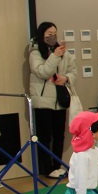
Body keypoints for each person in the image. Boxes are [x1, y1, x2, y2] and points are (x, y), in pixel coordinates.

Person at [28, 22, 77, 178]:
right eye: (49, 34)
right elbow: (43, 72)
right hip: (43, 100)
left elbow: (73, 71)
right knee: (44, 136)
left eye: (55, 33)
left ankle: (57, 165)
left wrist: (66, 78)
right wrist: (55, 56)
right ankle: (47, 168)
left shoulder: (63, 52)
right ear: (41, 34)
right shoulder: (35, 52)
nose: (53, 36)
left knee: (59, 135)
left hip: (60, 99)